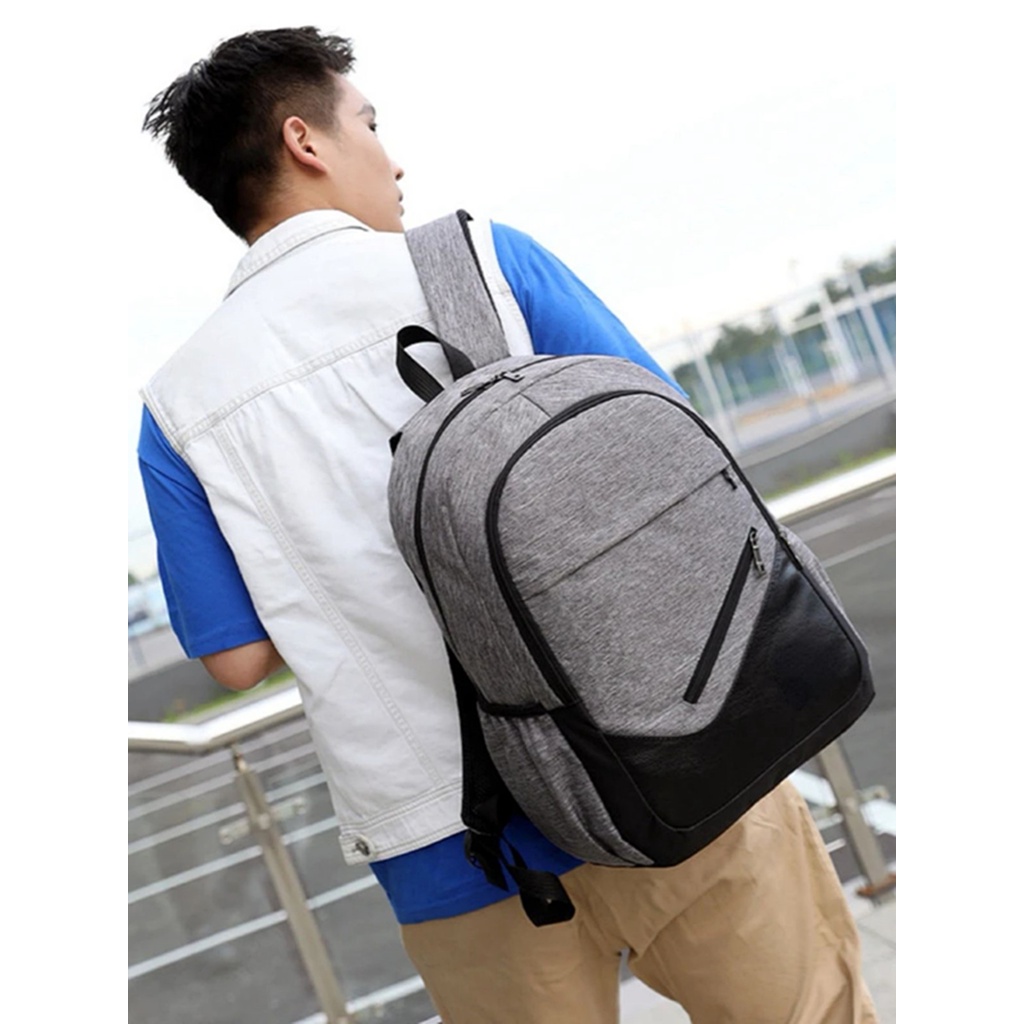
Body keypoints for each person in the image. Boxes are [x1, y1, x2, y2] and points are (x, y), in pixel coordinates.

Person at [138, 26, 878, 1023]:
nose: (394, 159)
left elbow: (234, 659)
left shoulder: (179, 407)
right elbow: (677, 452)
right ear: (304, 141)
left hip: (451, 844)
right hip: (666, 748)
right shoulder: (480, 261)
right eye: (369, 123)